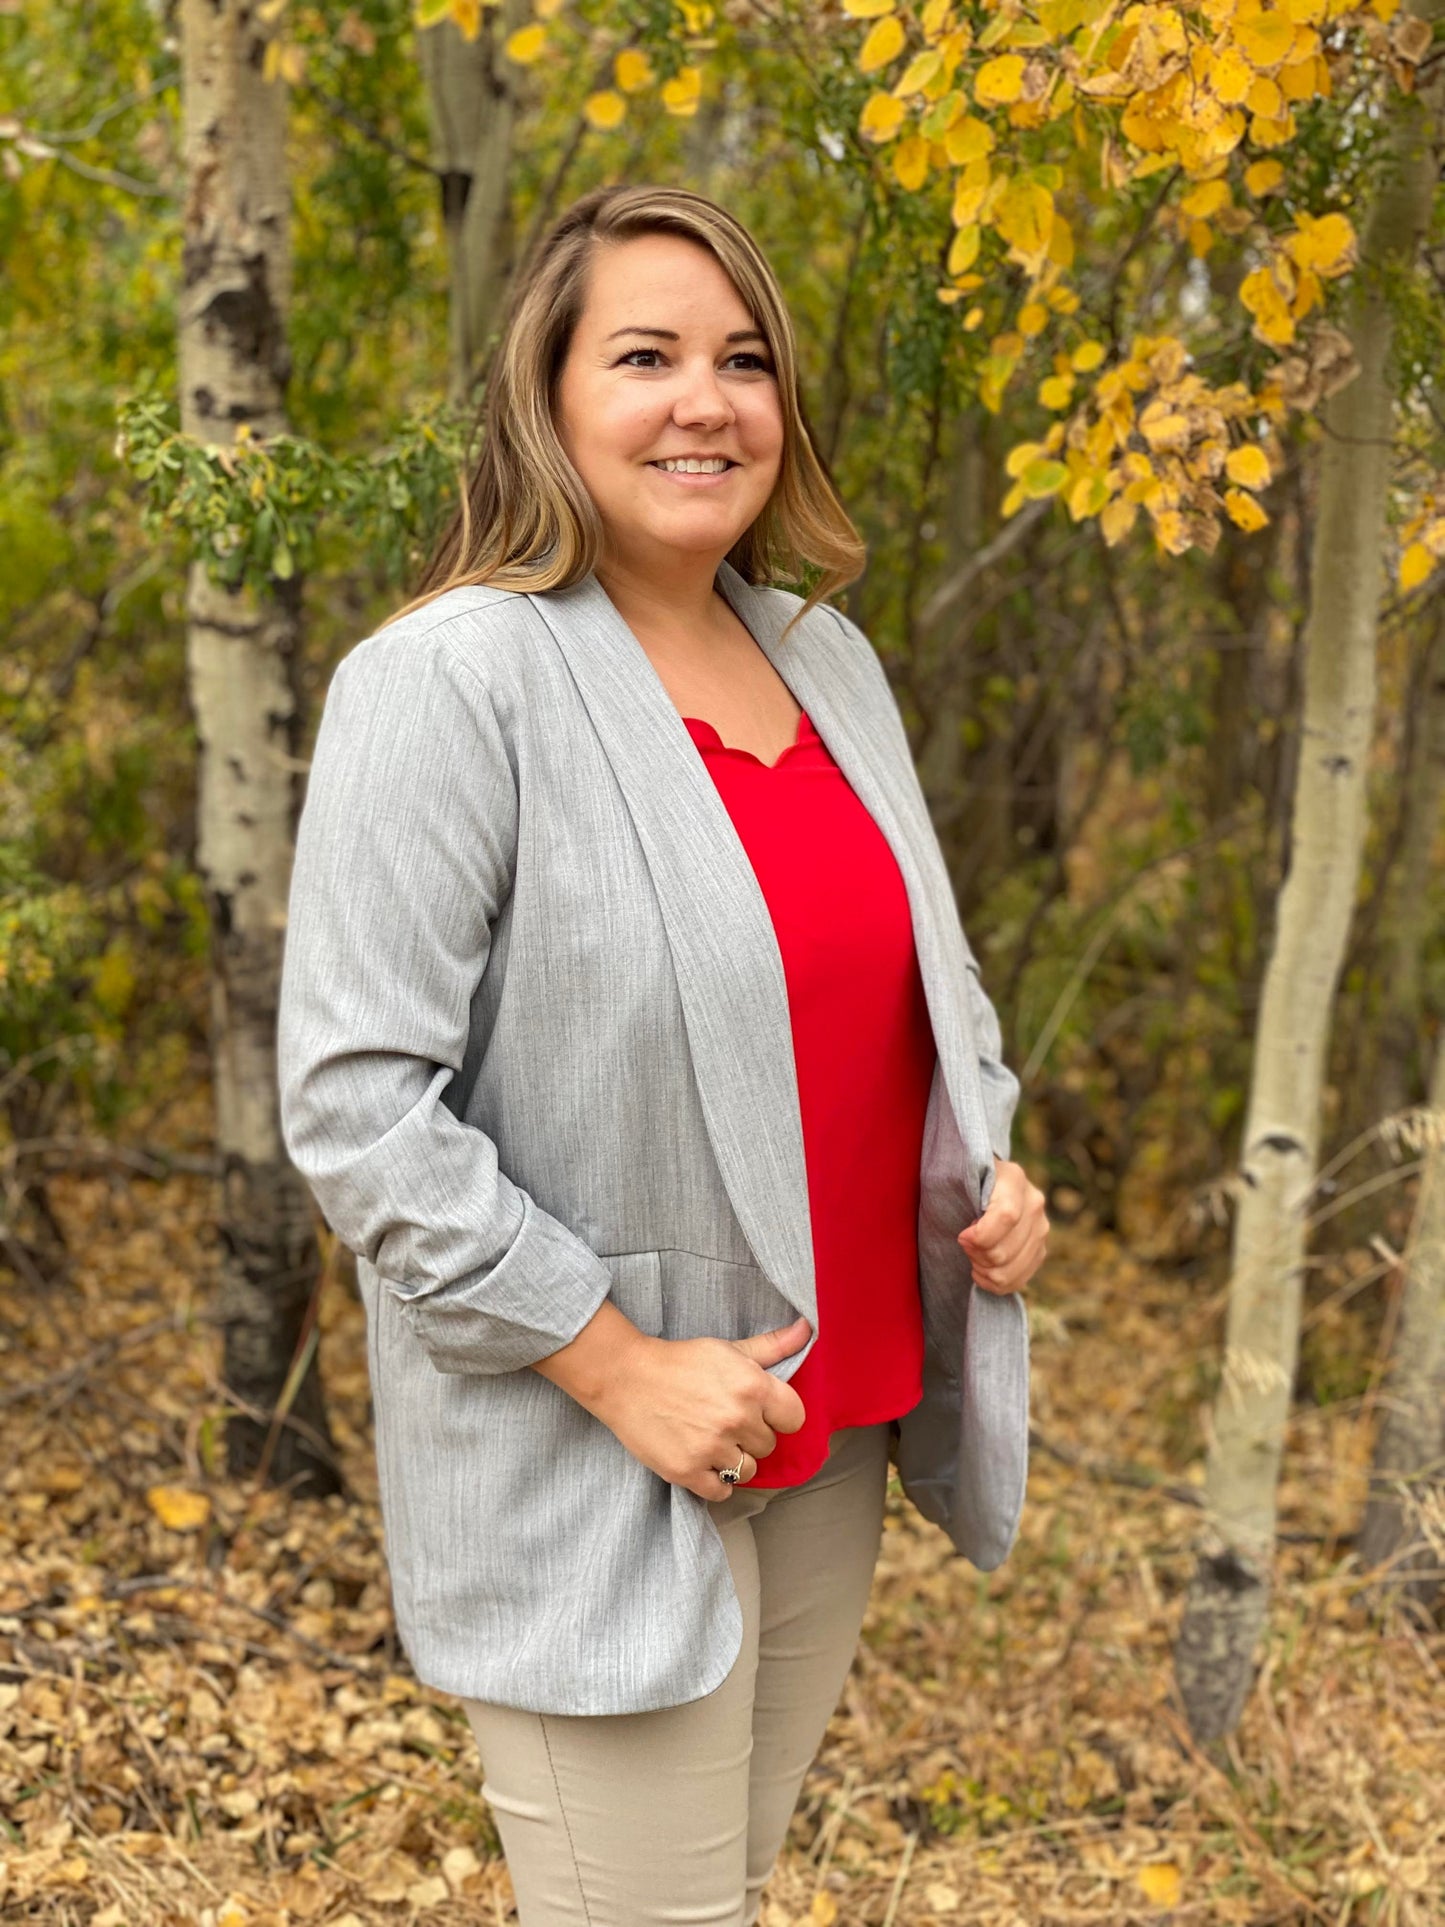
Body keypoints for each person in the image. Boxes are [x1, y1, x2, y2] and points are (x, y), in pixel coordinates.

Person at [277, 182, 1049, 1927]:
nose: (706, 400)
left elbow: (929, 997)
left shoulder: (824, 659)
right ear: (546, 397)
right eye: (644, 356)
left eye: (744, 359)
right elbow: (357, 1112)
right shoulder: (451, 680)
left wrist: (986, 1172)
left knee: (717, 1893)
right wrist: (618, 1363)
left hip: (830, 1428)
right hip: (600, 1448)